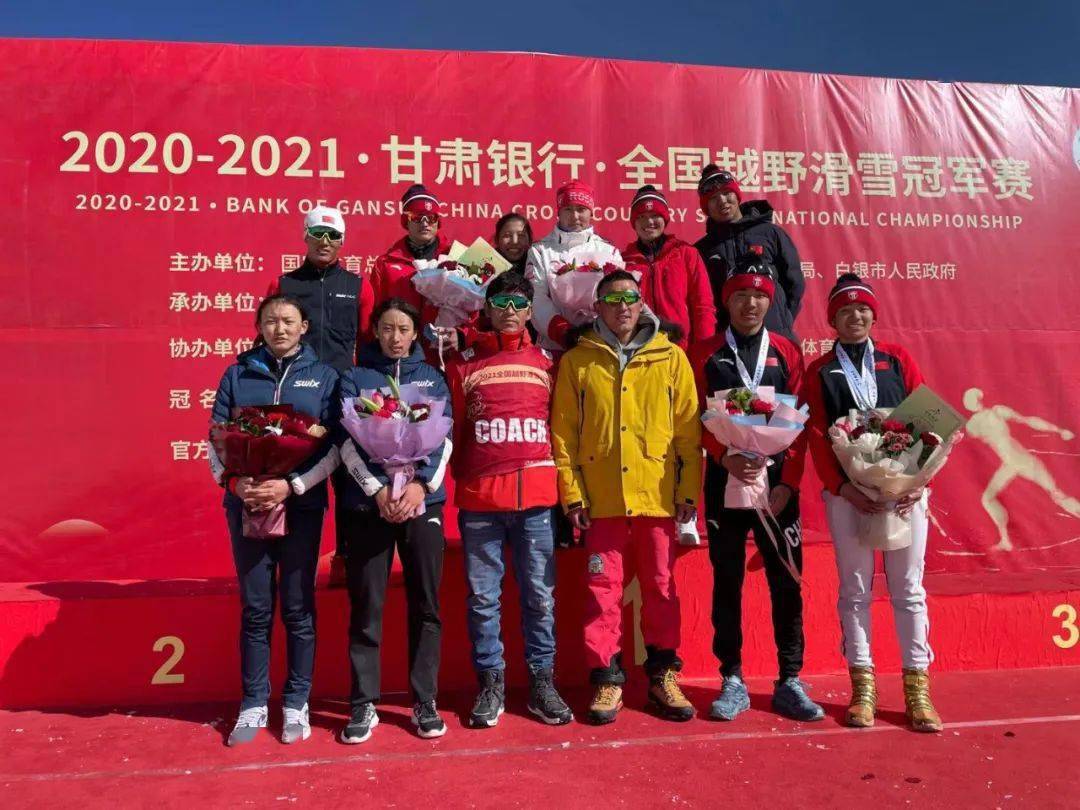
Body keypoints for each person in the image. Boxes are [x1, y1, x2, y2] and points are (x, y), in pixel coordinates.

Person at [551, 270, 701, 725]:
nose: (622, 307)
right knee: (603, 591)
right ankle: (607, 679)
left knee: (660, 586)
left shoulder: (671, 357)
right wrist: (573, 496)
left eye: (630, 298)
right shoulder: (579, 360)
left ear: (642, 304)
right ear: (597, 308)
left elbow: (688, 432)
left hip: (656, 495)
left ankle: (662, 675)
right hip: (602, 501)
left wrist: (687, 491)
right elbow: (564, 434)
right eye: (612, 300)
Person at [687, 252, 824, 724]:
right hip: (724, 479)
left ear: (770, 302)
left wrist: (789, 484)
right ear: (727, 302)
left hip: (777, 488)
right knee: (727, 580)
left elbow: (801, 423)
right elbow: (693, 416)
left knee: (785, 580)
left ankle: (790, 679)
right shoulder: (705, 351)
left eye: (759, 296)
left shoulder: (786, 351)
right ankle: (732, 677)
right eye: (741, 295)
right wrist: (722, 455)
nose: (750, 304)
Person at [804, 274, 941, 732]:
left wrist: (918, 482)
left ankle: (918, 690)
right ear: (833, 320)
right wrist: (843, 487)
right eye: (845, 311)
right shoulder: (821, 370)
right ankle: (863, 689)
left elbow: (929, 423)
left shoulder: (896, 358)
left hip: (906, 495)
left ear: (873, 315)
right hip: (850, 498)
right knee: (855, 590)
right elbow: (818, 434)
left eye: (862, 309)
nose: (855, 316)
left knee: (909, 590)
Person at [208, 295, 340, 746]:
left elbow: (334, 447)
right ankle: (253, 703)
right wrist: (235, 484)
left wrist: (292, 485)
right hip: (247, 507)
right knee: (257, 608)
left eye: (287, 321)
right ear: (259, 327)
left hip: (300, 506)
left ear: (304, 326)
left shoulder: (324, 377)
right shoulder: (237, 373)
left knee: (299, 608)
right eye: (270, 321)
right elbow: (214, 439)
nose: (279, 329)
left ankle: (297, 701)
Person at [447, 272, 573, 728]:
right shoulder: (462, 364)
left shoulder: (549, 363)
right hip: (481, 501)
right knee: (483, 599)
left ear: (529, 311)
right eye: (500, 303)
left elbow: (560, 428)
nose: (509, 312)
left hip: (536, 502)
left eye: (518, 304)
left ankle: (542, 682)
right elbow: (456, 430)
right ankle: (491, 684)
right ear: (487, 307)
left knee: (539, 596)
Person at [336, 299, 453, 744]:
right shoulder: (355, 377)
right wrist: (377, 490)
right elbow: (347, 441)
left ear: (416, 333)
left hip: (422, 504)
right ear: (375, 331)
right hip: (370, 506)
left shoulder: (432, 378)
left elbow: (444, 439)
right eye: (387, 328)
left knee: (426, 604)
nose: (396, 337)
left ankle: (424, 700)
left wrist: (420, 486)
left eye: (404, 329)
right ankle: (363, 702)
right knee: (367, 605)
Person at [266, 206, 374, 588]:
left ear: (342, 242)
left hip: (342, 402)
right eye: (318, 235)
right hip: (298, 402)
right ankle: (289, 568)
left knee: (349, 485)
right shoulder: (284, 284)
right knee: (294, 483)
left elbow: (368, 343)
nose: (325, 242)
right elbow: (266, 341)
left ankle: (347, 560)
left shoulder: (358, 286)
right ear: (306, 237)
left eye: (333, 236)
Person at [693, 165, 804, 341]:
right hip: (727, 341)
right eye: (713, 198)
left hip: (776, 336)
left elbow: (795, 283)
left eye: (726, 193)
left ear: (736, 194)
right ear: (705, 207)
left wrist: (782, 320)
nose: (722, 201)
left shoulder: (770, 233)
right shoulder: (702, 250)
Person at [526, 180, 623, 352]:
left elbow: (618, 295)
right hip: (554, 346)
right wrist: (563, 332)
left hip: (601, 344)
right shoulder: (540, 250)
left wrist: (600, 330)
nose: (575, 216)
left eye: (581, 209)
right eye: (568, 209)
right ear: (558, 212)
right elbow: (536, 297)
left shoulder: (609, 251)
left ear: (591, 212)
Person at [621, 185, 716, 350]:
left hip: (680, 349)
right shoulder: (623, 261)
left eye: (655, 215)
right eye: (642, 216)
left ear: (665, 219)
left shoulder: (686, 253)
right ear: (634, 222)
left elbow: (703, 306)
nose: (649, 222)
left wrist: (703, 350)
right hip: (637, 350)